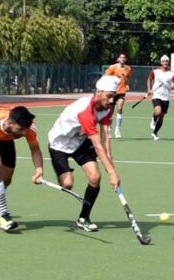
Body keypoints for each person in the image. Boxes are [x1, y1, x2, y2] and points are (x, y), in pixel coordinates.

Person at [47, 75, 122, 232]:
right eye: (109, 96)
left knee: (95, 177)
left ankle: (83, 218)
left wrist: (111, 163)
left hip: (79, 141)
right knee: (67, 184)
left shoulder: (108, 107)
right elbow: (97, 144)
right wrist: (112, 172)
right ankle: (64, 171)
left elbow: (105, 137)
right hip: (59, 144)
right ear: (99, 92)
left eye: (113, 97)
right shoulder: (85, 111)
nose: (111, 101)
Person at [147, 55, 174, 141]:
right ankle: (153, 119)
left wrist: (171, 88)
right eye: (163, 61)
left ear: (168, 62)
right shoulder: (155, 71)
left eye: (166, 61)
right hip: (156, 95)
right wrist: (149, 89)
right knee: (158, 111)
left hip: (166, 97)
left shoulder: (172, 73)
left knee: (161, 117)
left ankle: (155, 133)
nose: (165, 63)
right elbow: (149, 79)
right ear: (161, 62)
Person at [104, 53, 132, 138]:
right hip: (113, 91)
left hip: (122, 91)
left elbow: (127, 78)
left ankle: (118, 129)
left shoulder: (128, 68)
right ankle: (109, 129)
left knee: (120, 108)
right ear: (118, 59)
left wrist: (127, 84)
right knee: (110, 111)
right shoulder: (113, 67)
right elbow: (105, 76)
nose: (122, 59)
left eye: (124, 57)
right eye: (121, 57)